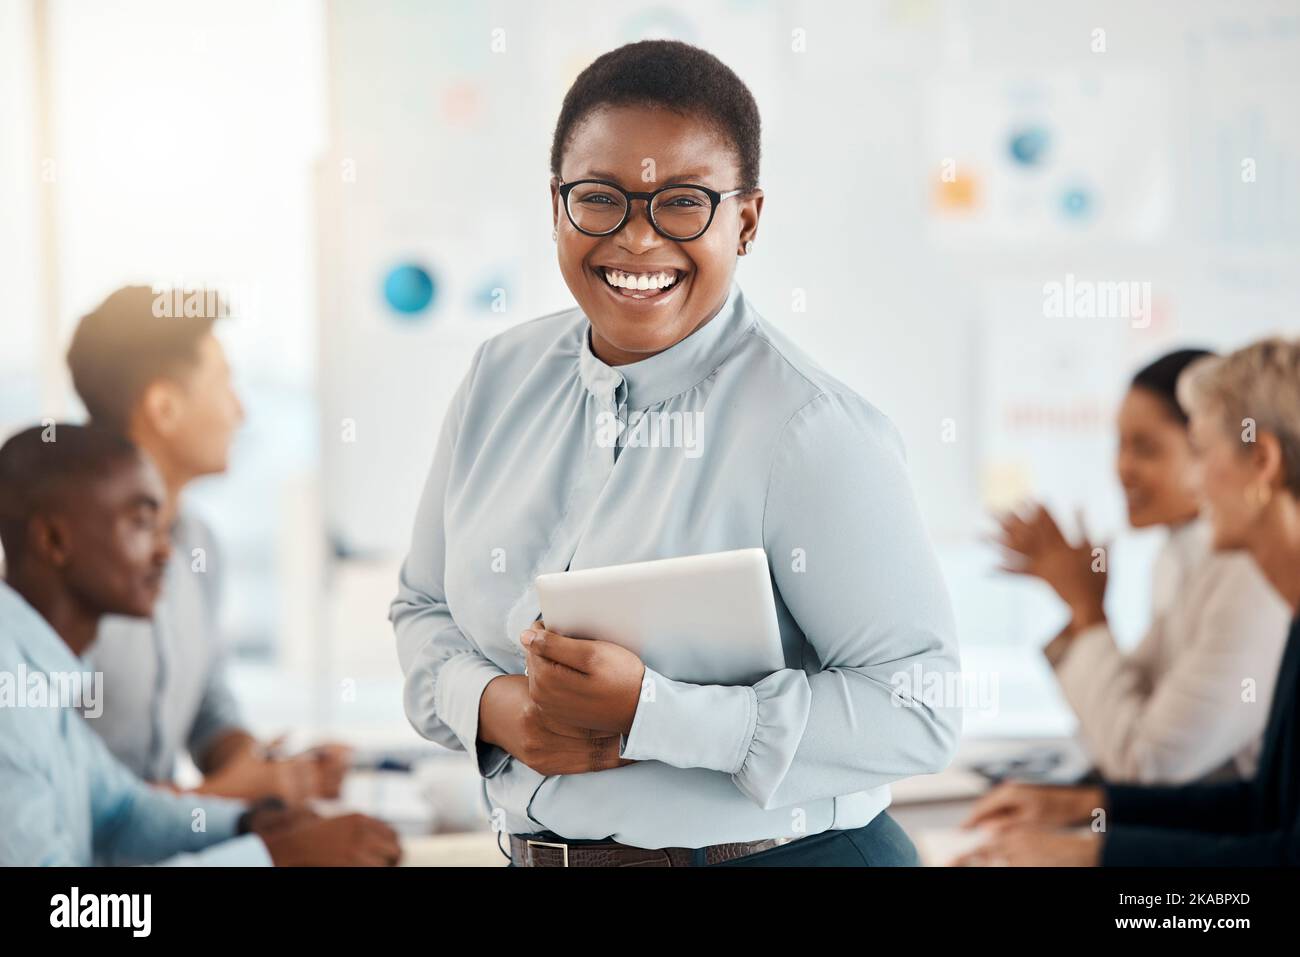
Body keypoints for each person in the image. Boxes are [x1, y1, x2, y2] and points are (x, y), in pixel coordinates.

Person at [391, 39, 961, 867]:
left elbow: (921, 709)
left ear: (747, 220)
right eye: (600, 199)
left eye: (684, 203)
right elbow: (421, 609)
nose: (637, 240)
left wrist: (655, 711)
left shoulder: (812, 428)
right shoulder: (497, 379)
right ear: (557, 205)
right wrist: (496, 707)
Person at [958, 338, 1300, 866]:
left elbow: (1149, 761)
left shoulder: (1257, 589)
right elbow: (1264, 810)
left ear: (1263, 461)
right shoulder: (1266, 601)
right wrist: (1083, 808)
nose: (1197, 477)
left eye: (1202, 452)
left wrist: (1090, 855)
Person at [0, 424, 401, 866]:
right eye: (140, 524)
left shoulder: (43, 673)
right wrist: (275, 857)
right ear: (54, 541)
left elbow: (123, 814)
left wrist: (248, 824)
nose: (165, 553)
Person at [65, 285, 349, 803]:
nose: (240, 411)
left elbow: (209, 710)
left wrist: (263, 768)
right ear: (165, 408)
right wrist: (226, 797)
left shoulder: (198, 543)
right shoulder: (56, 563)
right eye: (224, 383)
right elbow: (51, 798)